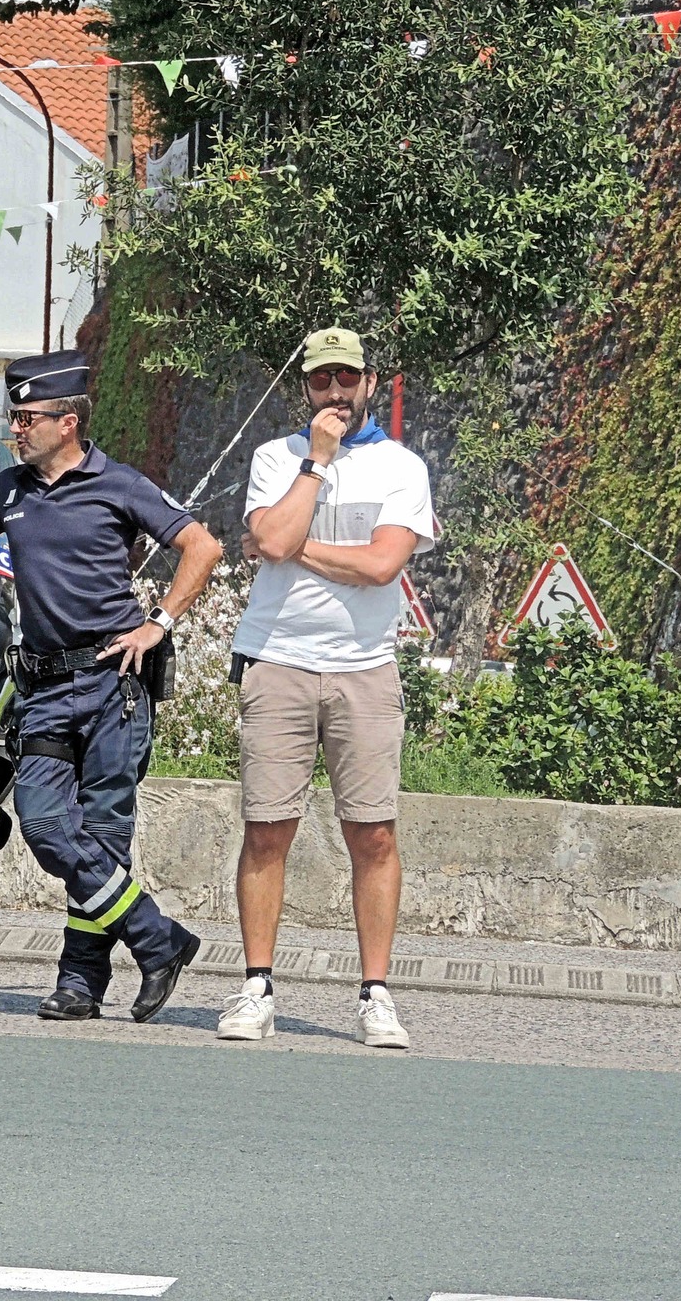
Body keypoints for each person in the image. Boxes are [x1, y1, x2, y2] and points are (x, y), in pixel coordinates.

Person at [0, 351, 222, 1022]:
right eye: (15, 417)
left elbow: (202, 547)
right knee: (41, 822)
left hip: (112, 680)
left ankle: (79, 982)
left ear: (68, 422)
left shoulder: (119, 485)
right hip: (42, 685)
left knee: (104, 835)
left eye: (28, 418)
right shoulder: (10, 489)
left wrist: (159, 623)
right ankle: (157, 939)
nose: (17, 428)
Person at [217, 327, 436, 1049]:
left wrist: (288, 545)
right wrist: (314, 464)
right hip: (277, 657)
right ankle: (257, 986)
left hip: (364, 665)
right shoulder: (274, 459)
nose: (334, 393)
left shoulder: (403, 467)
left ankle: (376, 994)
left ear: (371, 382)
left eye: (347, 379)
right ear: (304, 389)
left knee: (372, 832)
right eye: (321, 381)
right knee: (267, 828)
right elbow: (271, 537)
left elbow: (381, 566)